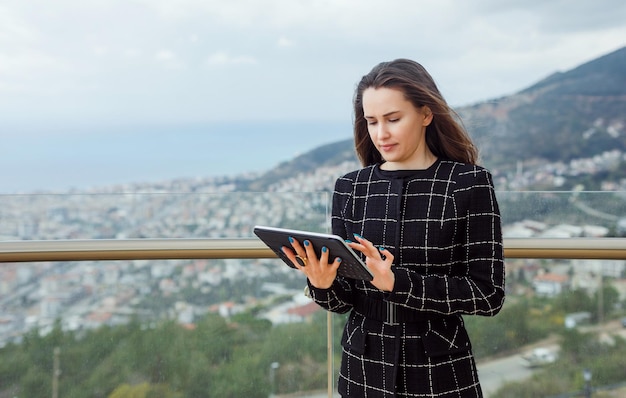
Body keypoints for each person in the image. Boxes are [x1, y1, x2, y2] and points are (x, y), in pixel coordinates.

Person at [282, 59, 505, 397]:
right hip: (362, 368)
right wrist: (322, 284)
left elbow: (488, 295)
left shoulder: (467, 184)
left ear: (426, 114)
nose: (381, 134)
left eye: (393, 119)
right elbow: (344, 301)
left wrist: (396, 282)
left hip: (440, 370)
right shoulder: (350, 187)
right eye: (371, 121)